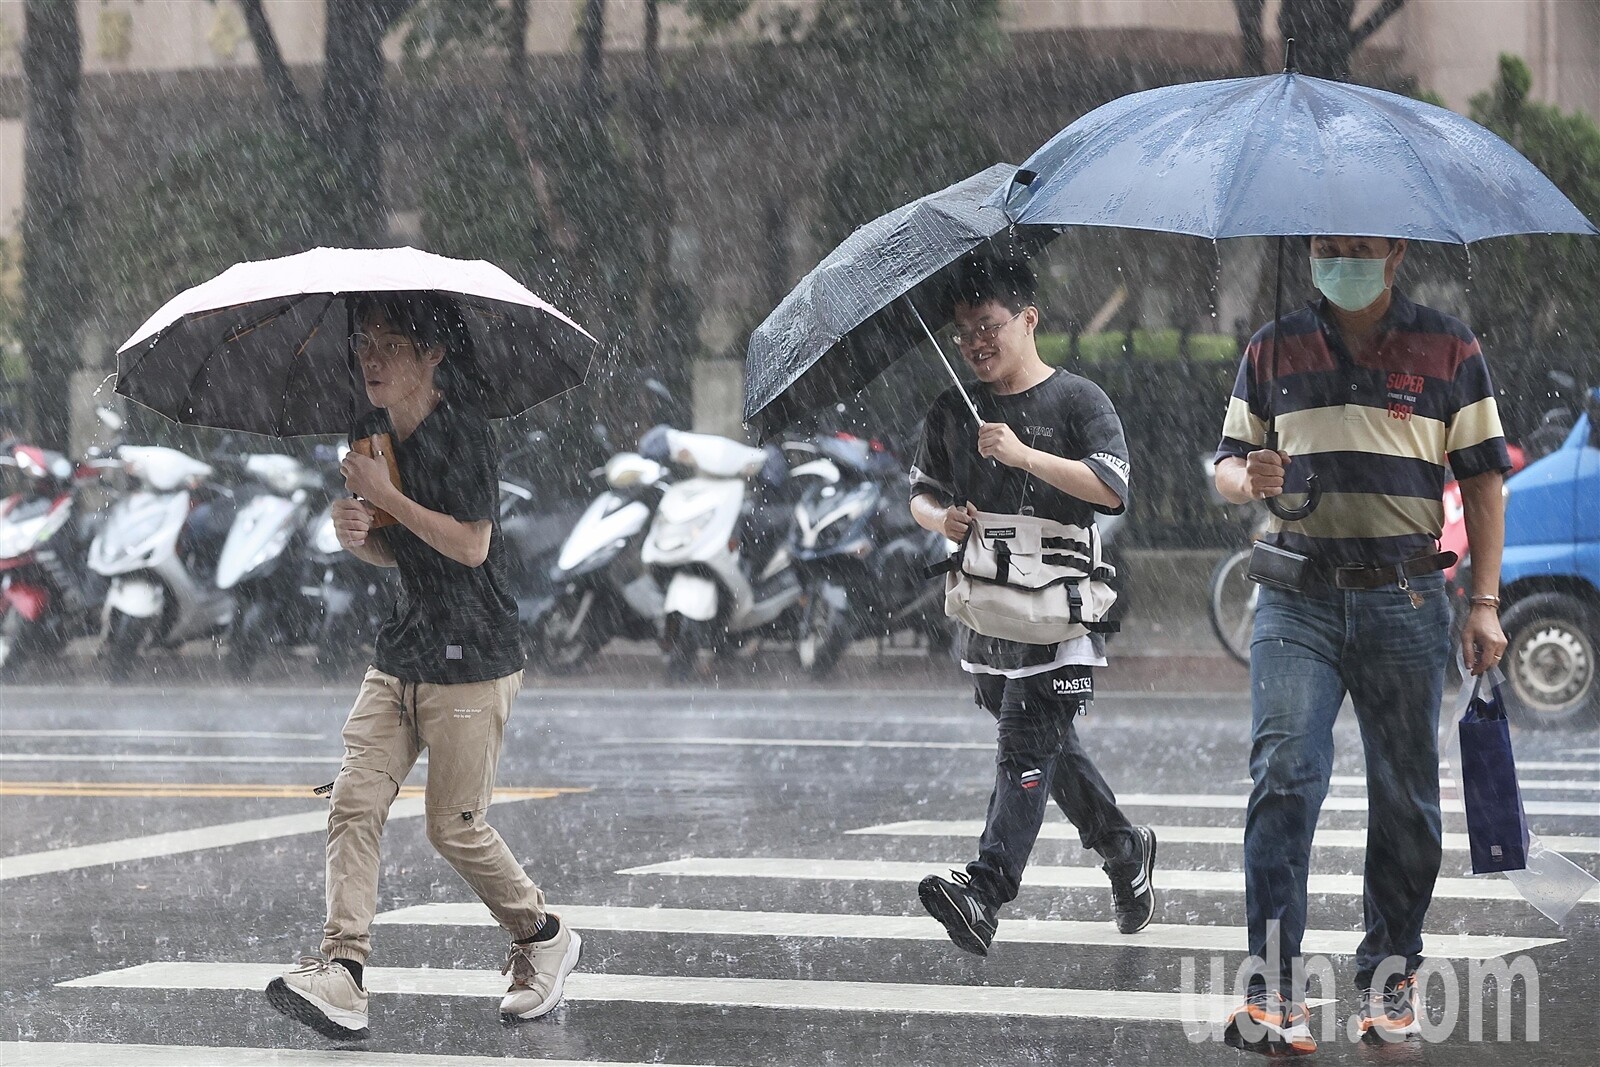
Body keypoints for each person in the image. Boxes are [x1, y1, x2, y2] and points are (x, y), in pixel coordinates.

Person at [1213, 236, 1510, 1056]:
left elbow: (1484, 480)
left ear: (1395, 254)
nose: (1338, 260)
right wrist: (1251, 477)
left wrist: (1483, 603)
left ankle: (1391, 976)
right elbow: (1225, 465)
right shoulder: (1272, 344)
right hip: (1295, 597)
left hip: (1408, 596)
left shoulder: (1451, 346)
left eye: (1356, 249)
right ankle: (1272, 987)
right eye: (1325, 248)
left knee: (1408, 795)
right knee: (1282, 774)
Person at [265, 295, 580, 1040]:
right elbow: (393, 546)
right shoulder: (368, 428)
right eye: (364, 343)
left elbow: (470, 545)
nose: (371, 359)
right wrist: (357, 534)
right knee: (352, 801)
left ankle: (543, 937)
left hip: (472, 657)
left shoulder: (465, 432)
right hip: (402, 649)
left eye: (391, 345)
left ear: (433, 355)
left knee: (455, 828)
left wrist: (384, 497)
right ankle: (343, 971)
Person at [909, 257, 1155, 956]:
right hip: (986, 610)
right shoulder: (953, 407)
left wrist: (1023, 456)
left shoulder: (1080, 400)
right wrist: (941, 521)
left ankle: (985, 890)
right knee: (1050, 750)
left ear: (1028, 320)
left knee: (1023, 742)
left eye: (987, 327)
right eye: (964, 334)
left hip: (1058, 612)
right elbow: (919, 493)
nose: (975, 344)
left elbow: (1111, 488)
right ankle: (1124, 848)